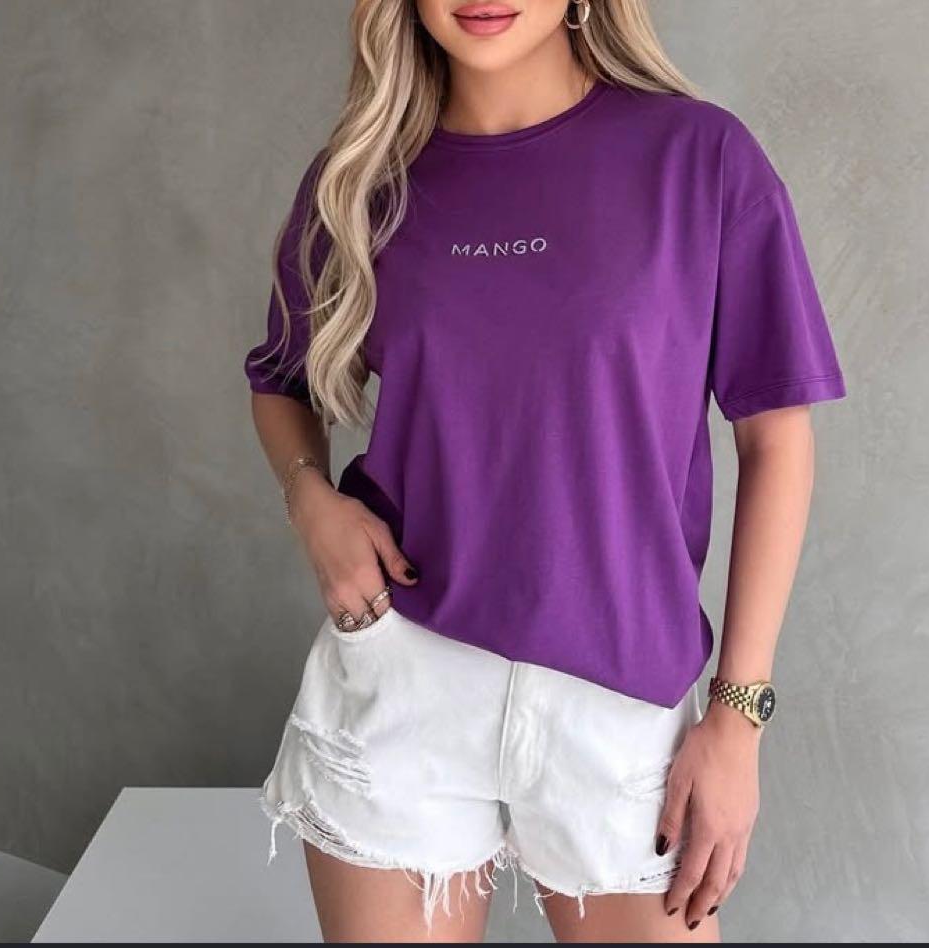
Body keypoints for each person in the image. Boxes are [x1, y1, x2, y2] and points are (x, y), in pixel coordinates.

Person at [244, 0, 847, 942]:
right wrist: (309, 498)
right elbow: (280, 379)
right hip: (403, 676)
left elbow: (776, 440)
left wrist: (736, 719)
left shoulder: (699, 160)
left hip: (620, 697)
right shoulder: (362, 179)